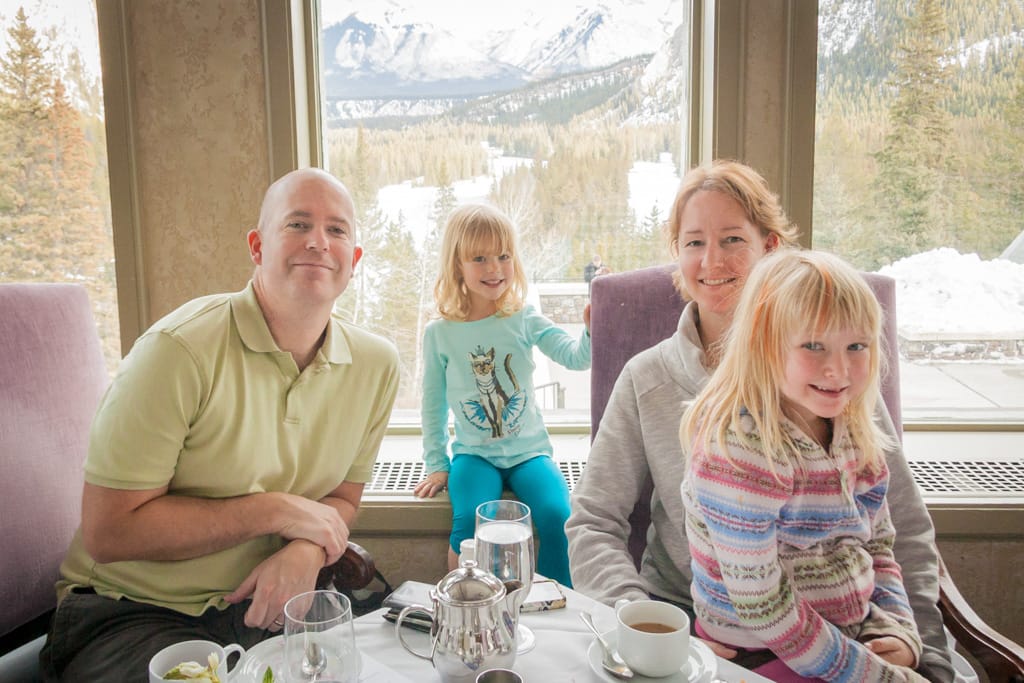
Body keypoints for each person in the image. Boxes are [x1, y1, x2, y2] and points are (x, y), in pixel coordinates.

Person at [565, 160, 956, 682]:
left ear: (771, 248)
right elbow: (593, 522)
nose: (712, 261)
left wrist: (922, 652)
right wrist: (653, 629)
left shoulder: (832, 376)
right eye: (693, 243)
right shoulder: (648, 379)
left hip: (848, 631)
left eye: (732, 239)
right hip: (694, 631)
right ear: (677, 256)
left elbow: (899, 527)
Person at [40, 168, 400, 681]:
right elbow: (108, 532)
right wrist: (273, 511)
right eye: (297, 224)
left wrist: (305, 548)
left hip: (272, 609)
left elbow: (342, 498)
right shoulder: (179, 350)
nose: (319, 242)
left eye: (337, 230)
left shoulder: (377, 365)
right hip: (131, 613)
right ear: (256, 247)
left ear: (354, 261)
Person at [680, 249, 927, 682]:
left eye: (857, 346)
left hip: (848, 635)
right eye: (813, 345)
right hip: (759, 650)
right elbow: (763, 606)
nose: (838, 368)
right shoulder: (739, 450)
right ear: (764, 346)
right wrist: (880, 677)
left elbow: (877, 544)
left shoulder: (853, 427)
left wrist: (897, 628)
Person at [413, 202, 591, 586]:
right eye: (479, 258)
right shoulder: (440, 333)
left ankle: (556, 603)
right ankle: (468, 606)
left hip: (530, 453)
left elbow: (578, 358)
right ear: (457, 265)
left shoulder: (523, 318)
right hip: (474, 455)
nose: (494, 269)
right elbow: (432, 402)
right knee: (468, 523)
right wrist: (436, 462)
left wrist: (596, 326)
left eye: (503, 256)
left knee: (558, 515)